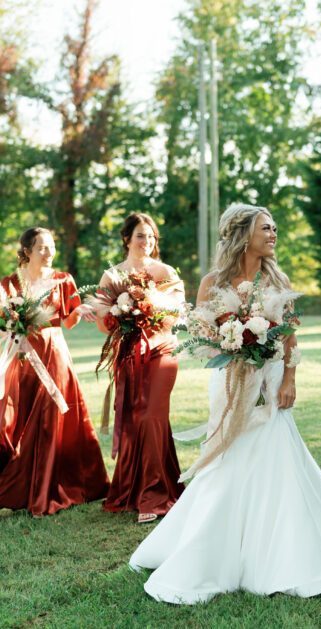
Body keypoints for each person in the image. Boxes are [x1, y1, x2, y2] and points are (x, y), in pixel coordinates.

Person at [129, 204, 321, 604]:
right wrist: (230, 342)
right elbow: (202, 334)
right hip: (229, 383)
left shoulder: (279, 279)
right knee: (227, 459)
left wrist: (290, 379)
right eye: (266, 228)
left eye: (275, 227)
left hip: (272, 382)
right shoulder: (212, 282)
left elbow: (291, 336)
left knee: (276, 457)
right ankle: (211, 549)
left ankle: (284, 551)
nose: (274, 233)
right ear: (244, 234)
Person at [0, 227, 109, 520]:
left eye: (52, 247)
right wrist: (13, 325)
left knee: (46, 424)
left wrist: (80, 310)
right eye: (42, 248)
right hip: (20, 359)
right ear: (27, 252)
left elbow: (69, 321)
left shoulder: (63, 280)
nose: (49, 253)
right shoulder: (10, 284)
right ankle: (9, 490)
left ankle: (5, 500)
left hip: (54, 356)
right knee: (11, 425)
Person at [98, 213, 185, 520]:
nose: (147, 241)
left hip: (161, 351)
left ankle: (156, 494)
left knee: (152, 416)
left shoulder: (165, 272)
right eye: (140, 236)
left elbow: (176, 314)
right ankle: (134, 489)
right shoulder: (112, 276)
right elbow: (102, 321)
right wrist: (122, 317)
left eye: (151, 237)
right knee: (134, 420)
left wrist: (150, 310)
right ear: (127, 239)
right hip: (128, 355)